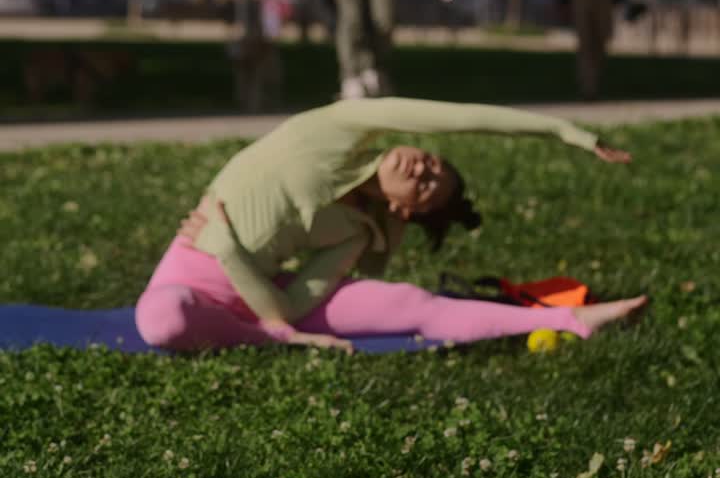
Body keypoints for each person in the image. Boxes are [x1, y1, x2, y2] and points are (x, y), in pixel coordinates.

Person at [134, 98, 646, 354]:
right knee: (161, 320)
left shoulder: (355, 234)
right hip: (187, 280)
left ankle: (573, 321)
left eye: (426, 186)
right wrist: (561, 129)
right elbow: (454, 116)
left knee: (410, 302)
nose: (421, 169)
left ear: (405, 212)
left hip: (256, 291)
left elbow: (285, 309)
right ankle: (261, 341)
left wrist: (230, 253)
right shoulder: (340, 129)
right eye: (430, 163)